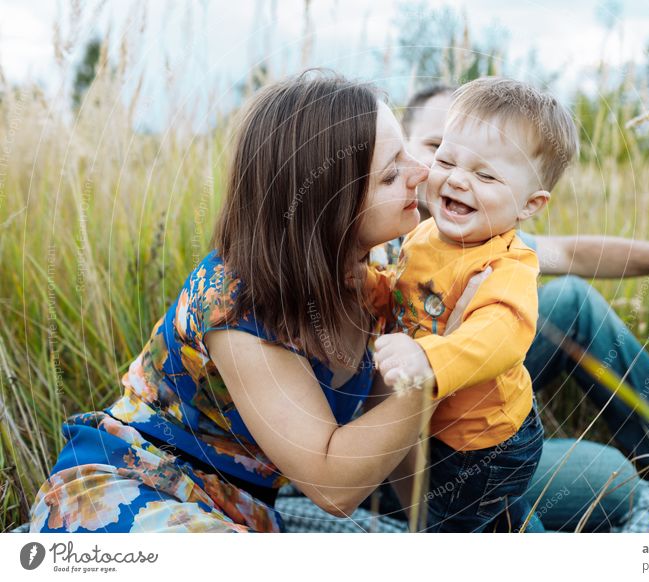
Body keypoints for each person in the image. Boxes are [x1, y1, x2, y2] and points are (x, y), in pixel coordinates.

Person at [26, 72, 458, 533]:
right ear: (323, 207)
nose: (422, 171)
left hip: (249, 507)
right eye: (391, 172)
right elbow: (335, 486)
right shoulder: (234, 302)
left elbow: (387, 430)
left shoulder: (388, 264)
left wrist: (437, 533)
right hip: (139, 493)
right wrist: (434, 362)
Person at [401, 83, 649, 504]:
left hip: (470, 397)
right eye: (439, 150)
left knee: (572, 300)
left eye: (484, 169)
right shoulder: (379, 231)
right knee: (613, 481)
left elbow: (571, 252)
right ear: (405, 148)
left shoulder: (480, 234)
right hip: (403, 439)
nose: (457, 174)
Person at [366, 78, 578, 532]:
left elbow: (498, 338)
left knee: (460, 527)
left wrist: (427, 357)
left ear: (530, 204)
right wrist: (370, 285)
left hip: (488, 445)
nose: (458, 179)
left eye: (485, 175)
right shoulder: (425, 235)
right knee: (498, 522)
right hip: (442, 431)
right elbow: (405, 291)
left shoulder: (508, 265)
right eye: (445, 158)